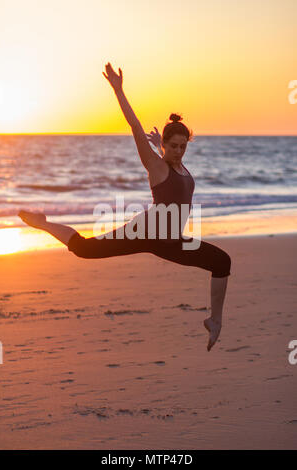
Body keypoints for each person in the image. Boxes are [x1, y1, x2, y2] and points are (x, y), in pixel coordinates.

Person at [19, 62, 231, 352]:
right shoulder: (157, 166)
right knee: (84, 249)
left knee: (222, 262)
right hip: (144, 232)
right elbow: (134, 125)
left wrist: (161, 146)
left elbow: (172, 165)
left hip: (171, 242)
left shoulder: (178, 164)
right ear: (165, 146)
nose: (179, 151)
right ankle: (43, 223)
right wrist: (119, 90)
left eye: (183, 146)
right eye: (174, 146)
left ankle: (215, 321)